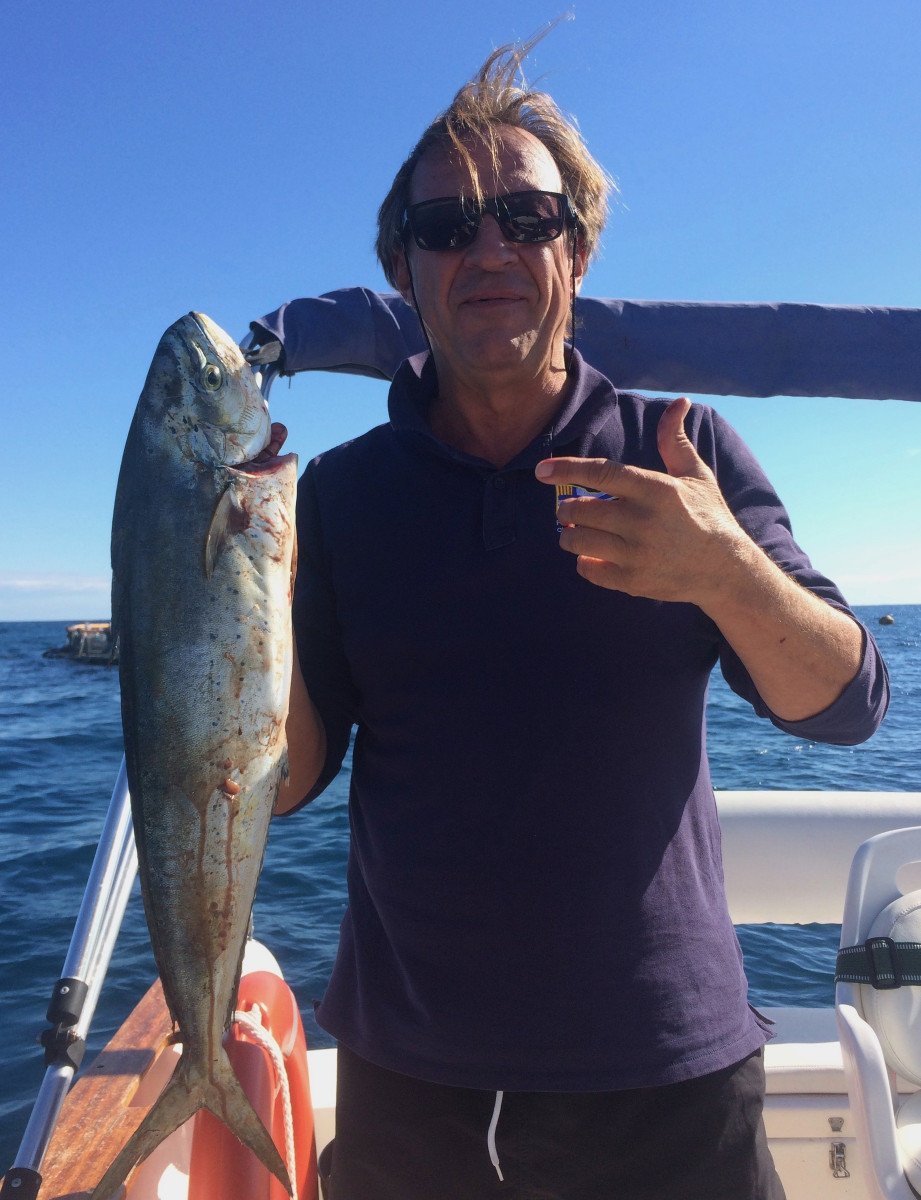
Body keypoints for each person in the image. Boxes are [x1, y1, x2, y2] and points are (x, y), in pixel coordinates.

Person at [272, 35, 889, 1200]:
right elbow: (292, 779)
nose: (488, 246)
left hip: (666, 1074)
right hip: (410, 1080)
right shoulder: (341, 496)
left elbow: (849, 706)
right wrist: (222, 608)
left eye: (526, 215)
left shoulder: (684, 450)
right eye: (446, 227)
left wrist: (721, 569)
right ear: (403, 271)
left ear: (580, 244)